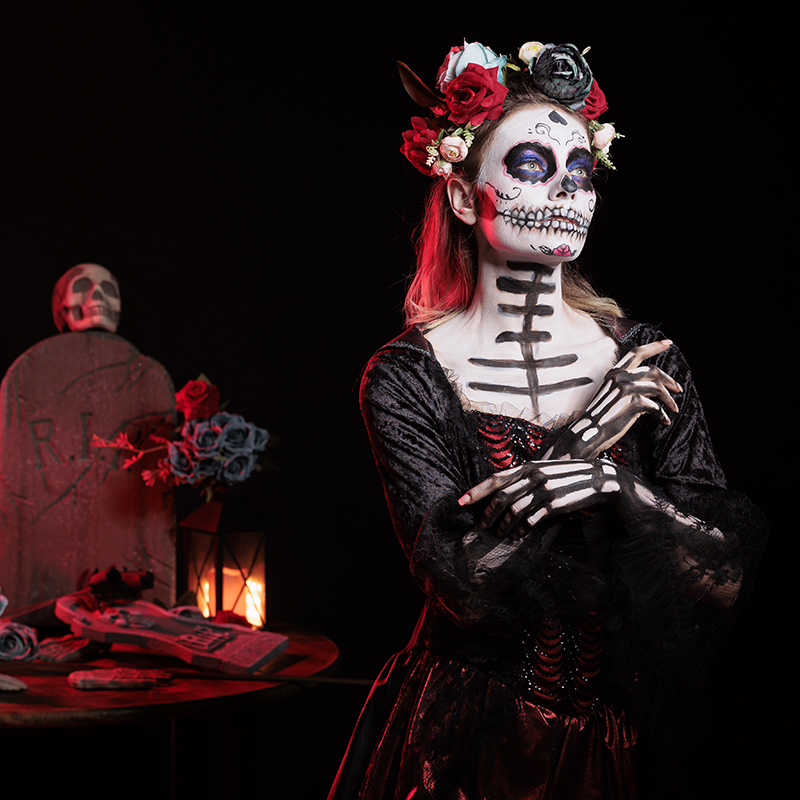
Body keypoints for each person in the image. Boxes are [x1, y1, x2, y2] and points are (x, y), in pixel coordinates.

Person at [328, 40, 766, 800]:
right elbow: (466, 588)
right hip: (468, 745)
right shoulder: (405, 375)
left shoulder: (647, 357)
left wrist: (619, 490)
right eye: (532, 165)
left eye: (582, 172)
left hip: (621, 743)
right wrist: (590, 437)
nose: (567, 189)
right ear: (463, 196)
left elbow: (723, 576)